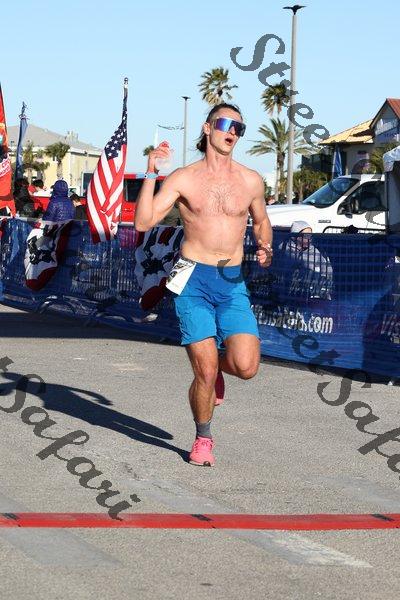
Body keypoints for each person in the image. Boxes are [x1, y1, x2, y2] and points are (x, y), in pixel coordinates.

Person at [135, 103, 273, 467]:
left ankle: (216, 373)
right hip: (192, 277)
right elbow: (144, 222)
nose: (233, 132)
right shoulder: (184, 178)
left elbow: (261, 221)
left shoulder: (250, 180)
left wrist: (265, 245)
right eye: (226, 124)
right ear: (208, 127)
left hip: (231, 279)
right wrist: (151, 173)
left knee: (246, 366)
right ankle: (203, 438)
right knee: (205, 370)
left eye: (240, 128)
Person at [280, 220, 333, 300]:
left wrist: (323, 280)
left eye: (310, 236)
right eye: (306, 236)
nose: (309, 239)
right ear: (295, 236)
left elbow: (326, 268)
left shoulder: (314, 251)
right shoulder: (284, 249)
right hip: (288, 289)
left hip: (309, 290)